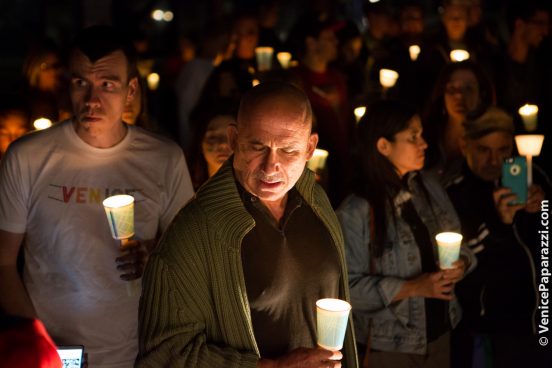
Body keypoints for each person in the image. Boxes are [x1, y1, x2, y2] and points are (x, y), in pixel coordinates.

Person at [0, 25, 194, 367]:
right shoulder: (27, 156)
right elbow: (3, 262)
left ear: (131, 90)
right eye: (81, 83)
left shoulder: (163, 159)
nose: (92, 99)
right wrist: (37, 347)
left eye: (107, 85)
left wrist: (155, 257)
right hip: (50, 351)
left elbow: (193, 256)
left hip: (138, 352)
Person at [137, 82, 358, 367]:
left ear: (310, 147)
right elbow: (161, 356)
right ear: (233, 139)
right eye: (257, 147)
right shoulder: (195, 232)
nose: (270, 167)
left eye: (288, 150)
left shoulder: (315, 200)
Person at [337, 100, 475, 367]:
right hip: (390, 347)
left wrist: (462, 264)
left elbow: (461, 243)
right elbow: (346, 289)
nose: (423, 143)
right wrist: (414, 287)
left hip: (440, 335)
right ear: (383, 146)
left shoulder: (429, 187)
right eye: (413, 137)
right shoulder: (356, 211)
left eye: (421, 135)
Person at [445, 106, 550, 368]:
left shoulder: (533, 176)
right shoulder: (452, 193)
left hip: (540, 320)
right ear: (464, 145)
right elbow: (459, 261)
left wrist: (544, 207)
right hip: (488, 328)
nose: (494, 161)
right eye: (483, 150)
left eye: (503, 150)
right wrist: (498, 222)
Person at [423, 60, 494, 183]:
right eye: (452, 89)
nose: (459, 96)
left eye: (468, 88)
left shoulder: (490, 144)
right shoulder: (425, 138)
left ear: (481, 96)